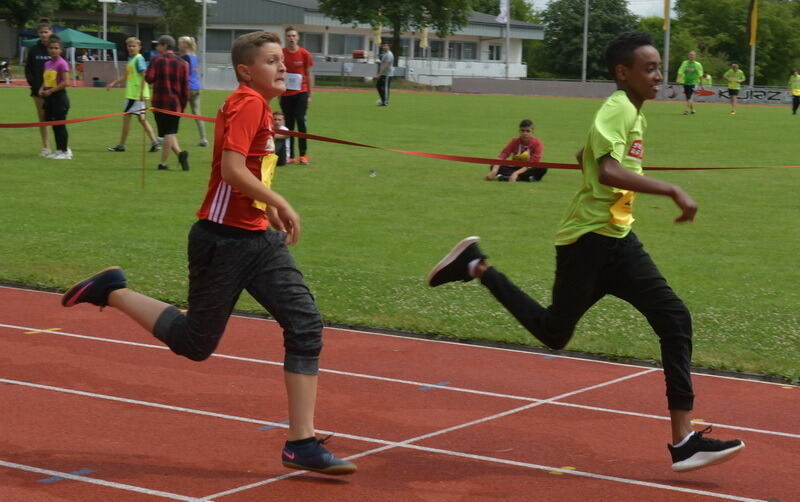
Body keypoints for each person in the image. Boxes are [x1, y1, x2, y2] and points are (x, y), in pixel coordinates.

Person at [427, 31, 745, 473]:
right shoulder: (619, 108)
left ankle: (684, 440)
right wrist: (671, 189)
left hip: (617, 239)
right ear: (623, 73)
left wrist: (593, 163)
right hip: (588, 242)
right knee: (554, 332)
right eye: (650, 68)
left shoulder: (632, 113)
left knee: (674, 318)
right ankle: (476, 265)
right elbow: (609, 170)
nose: (659, 76)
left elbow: (587, 155)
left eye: (659, 67)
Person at [60, 31, 357, 476]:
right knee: (195, 342)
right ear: (245, 71)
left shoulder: (259, 105)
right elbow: (231, 170)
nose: (282, 67)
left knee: (305, 325)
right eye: (271, 61)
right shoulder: (247, 103)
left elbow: (247, 174)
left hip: (257, 238)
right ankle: (112, 291)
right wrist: (279, 202)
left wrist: (266, 208)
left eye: (282, 60)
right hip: (223, 241)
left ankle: (302, 442)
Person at [106, 37, 160, 153]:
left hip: (135, 95)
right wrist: (114, 83)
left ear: (139, 47)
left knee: (127, 118)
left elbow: (144, 76)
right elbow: (126, 77)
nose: (131, 48)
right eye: (129, 46)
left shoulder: (139, 59)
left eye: (134, 46)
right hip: (133, 94)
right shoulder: (131, 59)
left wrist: (141, 93)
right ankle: (155, 143)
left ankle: (121, 145)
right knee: (142, 119)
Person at [145, 35, 190, 171]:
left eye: (159, 44)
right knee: (169, 133)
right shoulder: (183, 63)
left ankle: (163, 163)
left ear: (165, 45)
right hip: (175, 104)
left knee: (167, 134)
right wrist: (182, 106)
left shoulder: (156, 60)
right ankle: (180, 155)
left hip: (159, 103)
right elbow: (185, 88)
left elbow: (149, 78)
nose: (157, 47)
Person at [280, 26, 314, 165]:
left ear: (298, 38)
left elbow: (308, 73)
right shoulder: (281, 53)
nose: (291, 38)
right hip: (286, 93)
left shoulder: (304, 53)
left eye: (294, 36)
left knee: (300, 120)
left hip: (301, 92)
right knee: (288, 124)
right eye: (289, 36)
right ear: (286, 38)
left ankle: (303, 154)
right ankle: (291, 156)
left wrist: (310, 95)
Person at [24, 19, 53, 157]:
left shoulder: (56, 48)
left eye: (46, 32)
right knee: (43, 119)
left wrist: (51, 88)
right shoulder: (34, 50)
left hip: (53, 90)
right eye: (41, 32)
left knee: (57, 118)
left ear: (51, 32)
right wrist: (35, 86)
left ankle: (62, 146)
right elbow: (28, 69)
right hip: (37, 91)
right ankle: (46, 147)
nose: (43, 34)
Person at [39, 34, 71, 160]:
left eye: (56, 48)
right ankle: (58, 150)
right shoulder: (47, 64)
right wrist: (42, 89)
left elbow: (66, 82)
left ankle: (65, 151)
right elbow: (46, 80)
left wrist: (51, 91)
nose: (53, 50)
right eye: (51, 48)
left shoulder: (62, 63)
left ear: (61, 50)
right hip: (50, 98)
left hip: (59, 97)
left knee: (60, 125)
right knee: (54, 124)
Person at [178, 36, 209, 147]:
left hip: (187, 88)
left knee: (176, 112)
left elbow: (183, 74)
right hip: (196, 87)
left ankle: (168, 136)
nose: (178, 46)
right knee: (197, 114)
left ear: (185, 45)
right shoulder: (194, 56)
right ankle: (203, 139)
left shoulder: (184, 57)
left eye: (180, 43)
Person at [676, 50, 704, 114]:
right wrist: (678, 79)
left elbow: (701, 75)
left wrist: (702, 84)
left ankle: (686, 110)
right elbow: (680, 71)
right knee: (688, 97)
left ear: (695, 56)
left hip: (694, 83)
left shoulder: (698, 65)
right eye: (690, 54)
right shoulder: (685, 63)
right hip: (686, 82)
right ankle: (692, 109)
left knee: (690, 96)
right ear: (688, 55)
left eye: (693, 55)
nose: (691, 56)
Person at [376, 42, 394, 107]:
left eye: (386, 46)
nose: (384, 47)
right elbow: (383, 63)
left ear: (389, 47)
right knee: (378, 86)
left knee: (385, 88)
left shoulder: (389, 54)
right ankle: (383, 100)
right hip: (383, 74)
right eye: (383, 46)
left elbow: (386, 64)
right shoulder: (385, 54)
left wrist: (379, 74)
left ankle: (385, 102)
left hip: (387, 74)